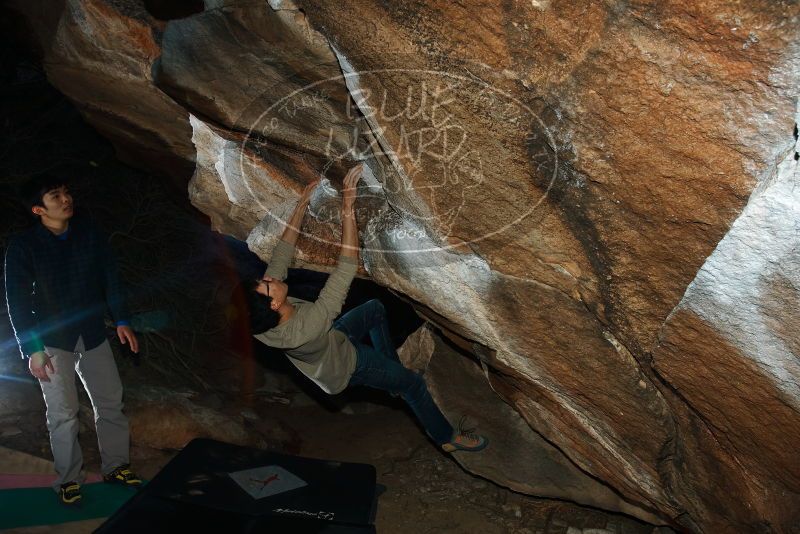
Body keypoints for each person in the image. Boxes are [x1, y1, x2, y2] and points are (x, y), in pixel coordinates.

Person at [241, 164, 487, 453]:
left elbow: (281, 257)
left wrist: (301, 205)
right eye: (266, 283)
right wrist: (348, 204)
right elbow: (344, 269)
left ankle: (392, 373)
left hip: (331, 340)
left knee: (374, 308)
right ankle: (446, 438)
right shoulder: (305, 330)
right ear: (274, 303)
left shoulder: (262, 319)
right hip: (348, 363)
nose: (269, 277)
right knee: (414, 386)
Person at [4, 174, 142, 506]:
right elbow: (18, 301)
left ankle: (116, 467)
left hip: (92, 332)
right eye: (56, 195)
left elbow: (110, 275)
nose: (66, 198)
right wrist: (32, 349)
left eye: (66, 192)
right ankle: (68, 479)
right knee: (63, 412)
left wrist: (122, 319)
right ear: (39, 209)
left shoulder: (89, 234)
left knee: (110, 402)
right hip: (51, 338)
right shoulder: (24, 247)